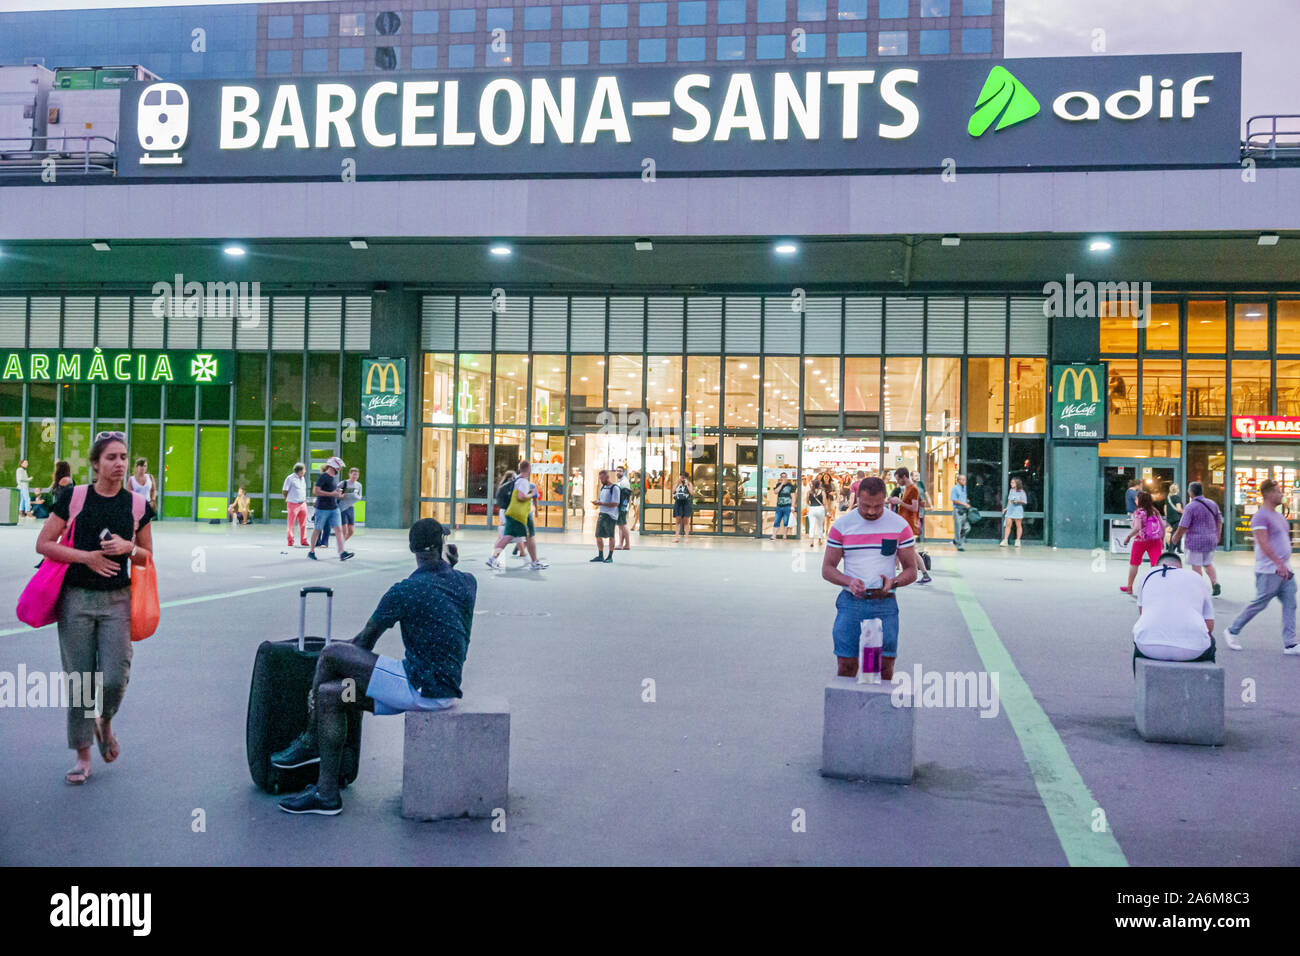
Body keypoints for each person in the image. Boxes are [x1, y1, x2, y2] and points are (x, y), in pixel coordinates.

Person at [273, 519, 475, 815]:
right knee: (331, 695)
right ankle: (326, 794)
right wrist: (451, 566)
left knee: (330, 654)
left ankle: (310, 741)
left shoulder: (405, 591)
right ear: (443, 546)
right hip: (442, 689)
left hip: (417, 686)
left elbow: (363, 644)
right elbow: (444, 594)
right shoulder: (467, 582)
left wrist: (339, 653)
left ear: (411, 550)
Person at [35, 432, 155, 786]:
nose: (119, 464)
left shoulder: (136, 505)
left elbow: (147, 556)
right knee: (81, 679)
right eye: (111, 458)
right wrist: (86, 557)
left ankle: (105, 721)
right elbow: (43, 543)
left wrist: (127, 547)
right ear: (95, 463)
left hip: (118, 599)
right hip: (76, 599)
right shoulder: (74, 497)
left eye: (123, 457)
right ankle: (83, 754)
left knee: (115, 677)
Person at [822, 477, 920, 682]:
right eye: (866, 506)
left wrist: (894, 582)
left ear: (886, 499)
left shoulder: (899, 526)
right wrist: (849, 581)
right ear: (857, 497)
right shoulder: (842, 526)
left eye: (878, 506)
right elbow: (828, 569)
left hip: (884, 604)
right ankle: (848, 711)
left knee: (881, 667)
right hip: (851, 604)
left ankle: (875, 710)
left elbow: (911, 571)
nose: (872, 511)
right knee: (846, 665)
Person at [1223, 478, 1299, 654]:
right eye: (1279, 491)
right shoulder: (1260, 516)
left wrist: (1284, 563)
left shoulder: (1278, 515)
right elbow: (1263, 543)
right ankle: (1232, 630)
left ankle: (1290, 643)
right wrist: (1278, 563)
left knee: (1290, 603)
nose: (1282, 494)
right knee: (1259, 603)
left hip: (1284, 569)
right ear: (1269, 494)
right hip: (1269, 570)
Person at [1133, 552, 1215, 673]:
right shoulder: (1196, 577)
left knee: (1141, 634)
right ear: (1180, 567)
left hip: (1148, 646)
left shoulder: (1147, 575)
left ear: (1156, 565)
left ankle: (1140, 687)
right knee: (1210, 641)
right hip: (1193, 650)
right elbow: (1209, 625)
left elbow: (1143, 612)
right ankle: (1205, 684)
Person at [486, 460, 547, 571]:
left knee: (507, 536)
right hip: (521, 515)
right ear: (529, 469)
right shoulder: (523, 481)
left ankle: (492, 559)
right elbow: (521, 496)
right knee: (530, 537)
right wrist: (532, 494)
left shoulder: (516, 479)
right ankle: (534, 562)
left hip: (512, 513)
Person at [1170, 481, 1223, 597]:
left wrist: (1175, 537)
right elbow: (1219, 521)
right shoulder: (1212, 504)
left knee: (1196, 565)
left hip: (1195, 541)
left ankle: (1200, 589)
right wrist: (1218, 535)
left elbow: (1183, 526)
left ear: (1190, 492)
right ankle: (1215, 583)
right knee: (1208, 563)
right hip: (1210, 539)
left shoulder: (1190, 507)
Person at [889, 467, 931, 584]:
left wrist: (899, 502)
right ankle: (924, 574)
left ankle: (924, 573)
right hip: (905, 523)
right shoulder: (907, 488)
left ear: (904, 477)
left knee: (910, 550)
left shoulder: (913, 489)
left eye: (898, 479)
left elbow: (914, 507)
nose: (897, 482)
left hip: (909, 524)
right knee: (908, 550)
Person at [307, 457, 353, 561]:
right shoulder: (323, 476)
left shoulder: (333, 478)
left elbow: (333, 493)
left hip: (333, 508)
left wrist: (339, 494)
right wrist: (331, 494)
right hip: (322, 508)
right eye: (339, 466)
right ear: (334, 465)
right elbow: (316, 491)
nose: (340, 468)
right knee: (317, 529)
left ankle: (342, 553)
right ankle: (311, 551)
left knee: (338, 530)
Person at [1121, 491, 1165, 594]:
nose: (1135, 500)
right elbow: (1162, 526)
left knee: (1134, 563)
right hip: (1155, 540)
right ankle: (1156, 588)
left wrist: (1128, 537)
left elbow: (1137, 528)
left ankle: (1129, 587)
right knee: (1156, 565)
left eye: (1136, 499)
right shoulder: (1155, 511)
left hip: (1140, 541)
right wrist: (1162, 540)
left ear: (1140, 501)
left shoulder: (1139, 512)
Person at [591, 469, 620, 563]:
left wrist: (602, 503)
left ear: (607, 477)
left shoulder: (614, 488)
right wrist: (597, 503)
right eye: (600, 478)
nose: (601, 480)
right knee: (598, 535)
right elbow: (601, 500)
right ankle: (600, 555)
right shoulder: (603, 488)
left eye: (602, 478)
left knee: (611, 536)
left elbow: (615, 503)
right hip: (602, 514)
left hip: (611, 516)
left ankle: (610, 556)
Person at [282, 463, 309, 548]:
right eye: (304, 469)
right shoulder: (290, 478)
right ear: (300, 470)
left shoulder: (303, 478)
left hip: (303, 503)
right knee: (291, 523)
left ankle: (304, 540)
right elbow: (285, 490)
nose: (305, 471)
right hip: (293, 504)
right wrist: (288, 499)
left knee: (304, 523)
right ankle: (290, 541)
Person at [338, 467, 363, 546]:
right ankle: (341, 547)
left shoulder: (359, 485)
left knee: (351, 531)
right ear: (349, 474)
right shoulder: (344, 483)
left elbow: (360, 496)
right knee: (344, 530)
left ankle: (341, 544)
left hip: (351, 508)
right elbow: (336, 492)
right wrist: (342, 494)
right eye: (353, 474)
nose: (355, 476)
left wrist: (356, 497)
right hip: (342, 508)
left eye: (357, 475)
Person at [1000, 478, 1028, 547]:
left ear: (1017, 483)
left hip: (1018, 509)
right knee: (1008, 525)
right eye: (1011, 482)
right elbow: (1009, 500)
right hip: (1010, 509)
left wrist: (1018, 501)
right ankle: (1005, 540)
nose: (1011, 484)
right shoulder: (1011, 491)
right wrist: (1006, 508)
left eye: (1013, 483)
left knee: (1018, 525)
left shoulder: (1022, 492)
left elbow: (1025, 501)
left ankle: (1018, 541)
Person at [772, 472, 797, 540]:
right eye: (782, 477)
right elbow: (775, 492)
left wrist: (793, 506)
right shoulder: (778, 484)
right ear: (780, 478)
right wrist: (782, 484)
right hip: (779, 506)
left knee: (786, 521)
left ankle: (784, 535)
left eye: (785, 476)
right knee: (777, 521)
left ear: (787, 477)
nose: (784, 478)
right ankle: (774, 535)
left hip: (787, 506)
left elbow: (793, 497)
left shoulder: (790, 486)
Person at [806, 476, 828, 548]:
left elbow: (807, 501)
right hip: (820, 508)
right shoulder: (822, 492)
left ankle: (811, 541)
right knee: (820, 525)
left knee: (811, 525)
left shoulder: (809, 492)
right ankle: (820, 540)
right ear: (819, 485)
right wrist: (826, 511)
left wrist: (811, 505)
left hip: (812, 508)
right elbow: (824, 502)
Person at [950, 474, 970, 551]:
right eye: (963, 480)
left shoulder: (964, 488)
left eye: (965, 479)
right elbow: (954, 500)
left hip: (964, 510)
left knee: (966, 528)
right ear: (958, 480)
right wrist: (964, 503)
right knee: (958, 529)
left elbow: (963, 497)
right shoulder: (955, 488)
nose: (965, 481)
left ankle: (956, 540)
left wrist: (966, 500)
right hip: (958, 510)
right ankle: (959, 544)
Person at [672, 473, 694, 541]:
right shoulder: (677, 484)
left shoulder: (689, 484)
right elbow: (673, 491)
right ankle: (676, 537)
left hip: (686, 503)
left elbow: (691, 493)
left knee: (686, 521)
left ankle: (686, 537)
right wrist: (677, 483)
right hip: (678, 502)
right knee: (678, 520)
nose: (682, 478)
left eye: (683, 477)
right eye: (681, 477)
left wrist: (687, 484)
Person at [615, 466, 632, 550]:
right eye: (617, 471)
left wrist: (623, 507)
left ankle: (627, 544)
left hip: (622, 506)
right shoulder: (620, 481)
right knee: (620, 525)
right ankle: (621, 544)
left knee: (622, 525)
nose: (618, 472)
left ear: (624, 472)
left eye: (620, 471)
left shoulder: (624, 482)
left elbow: (626, 496)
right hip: (620, 506)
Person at [1165, 483, 1185, 553]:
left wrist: (1167, 517)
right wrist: (1185, 512)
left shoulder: (1168, 498)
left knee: (1178, 533)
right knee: (1176, 533)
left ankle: (1179, 548)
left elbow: (1165, 508)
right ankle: (1171, 549)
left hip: (1170, 518)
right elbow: (1179, 509)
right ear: (1177, 490)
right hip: (1177, 518)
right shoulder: (1177, 498)